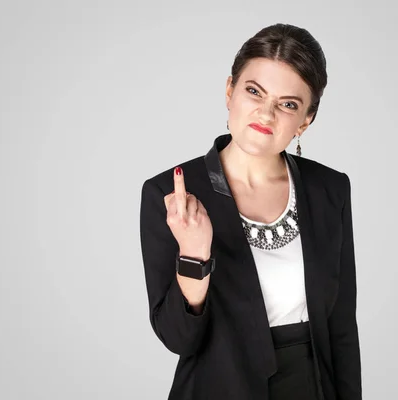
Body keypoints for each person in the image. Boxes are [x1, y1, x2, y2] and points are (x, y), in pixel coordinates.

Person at [139, 23, 362, 400]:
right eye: (254, 91)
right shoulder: (171, 193)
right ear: (229, 91)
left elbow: (341, 327)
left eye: (288, 104)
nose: (266, 113)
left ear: (305, 120)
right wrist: (195, 256)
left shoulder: (330, 189)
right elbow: (178, 339)